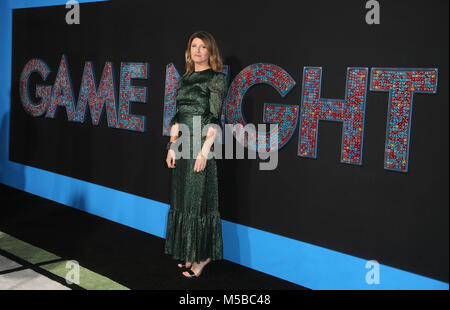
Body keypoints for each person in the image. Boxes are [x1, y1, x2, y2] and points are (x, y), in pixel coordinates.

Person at [164, 31, 227, 279]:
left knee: (199, 202)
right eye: (194, 46)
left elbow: (214, 119)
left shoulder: (216, 79)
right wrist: (171, 145)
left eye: (203, 46)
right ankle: (189, 253)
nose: (198, 50)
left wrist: (204, 151)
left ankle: (202, 258)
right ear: (189, 51)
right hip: (183, 147)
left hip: (201, 146)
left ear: (211, 51)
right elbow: (178, 117)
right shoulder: (185, 79)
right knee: (184, 200)